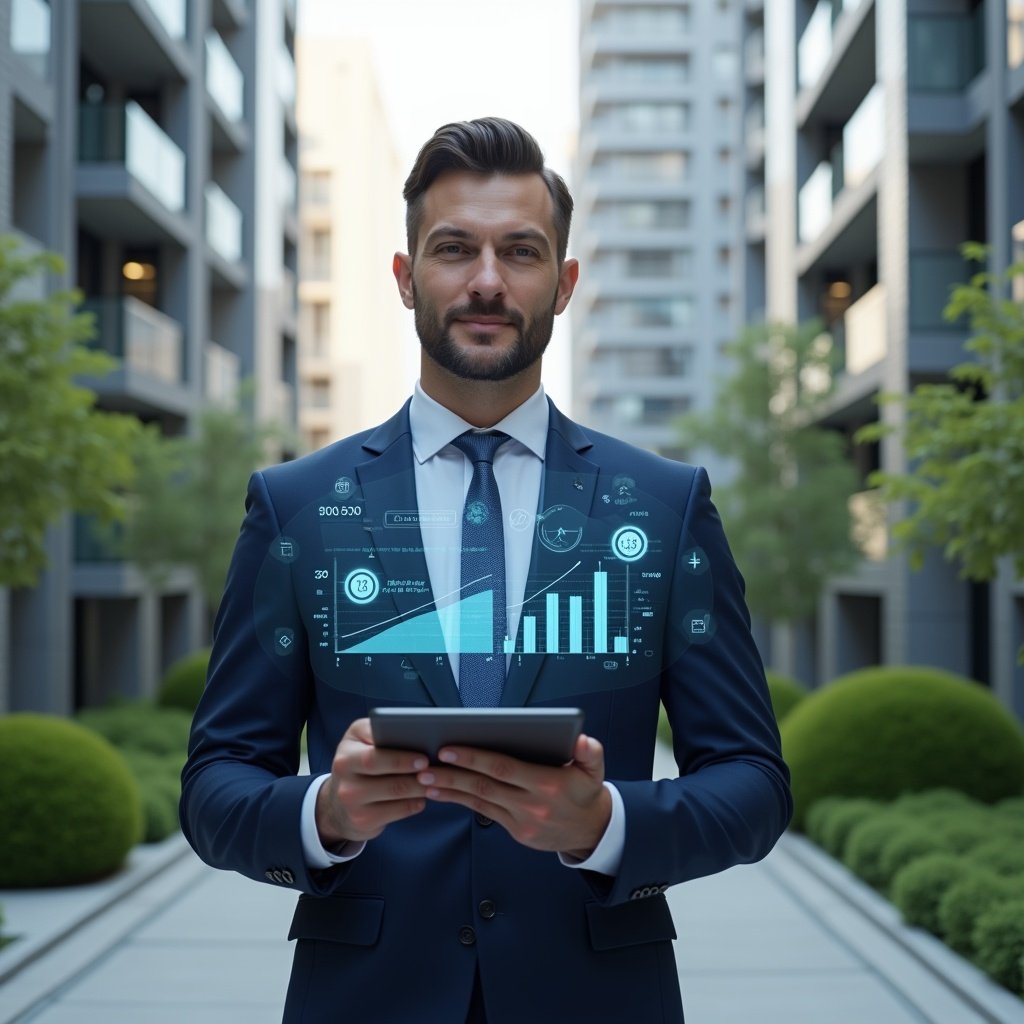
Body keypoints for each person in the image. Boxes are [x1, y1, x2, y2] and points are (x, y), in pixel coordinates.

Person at [180, 117, 791, 1024]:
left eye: (522, 251)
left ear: (565, 283)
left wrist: (607, 827)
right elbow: (215, 783)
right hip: (365, 999)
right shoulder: (295, 506)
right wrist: (326, 815)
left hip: (596, 998)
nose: (487, 281)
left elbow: (753, 782)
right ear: (405, 277)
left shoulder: (665, 507)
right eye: (454, 248)